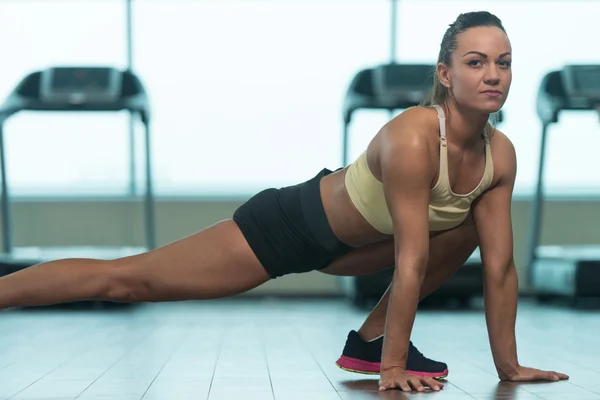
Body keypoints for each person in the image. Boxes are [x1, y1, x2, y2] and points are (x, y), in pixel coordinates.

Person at [0, 10, 569, 393]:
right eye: (476, 62)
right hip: (289, 227)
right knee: (127, 280)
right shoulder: (415, 135)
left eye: (504, 62)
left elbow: (500, 268)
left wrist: (509, 367)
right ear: (446, 75)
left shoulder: (501, 157)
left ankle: (370, 342)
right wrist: (395, 370)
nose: (493, 74)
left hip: (360, 246)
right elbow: (411, 261)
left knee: (474, 228)